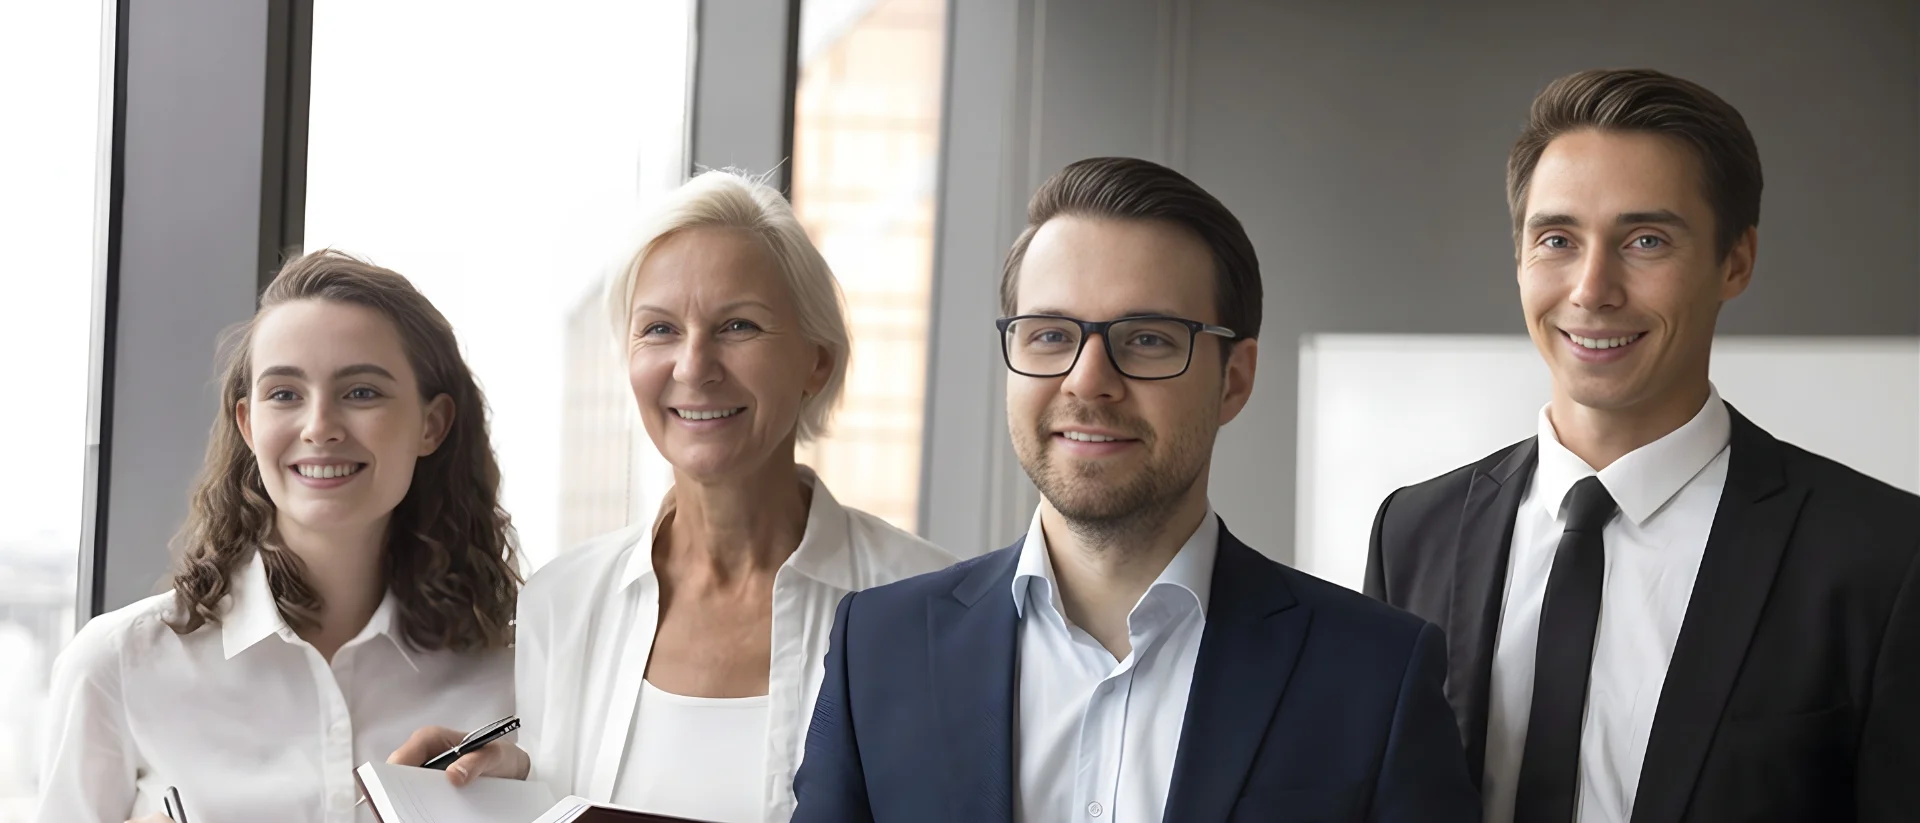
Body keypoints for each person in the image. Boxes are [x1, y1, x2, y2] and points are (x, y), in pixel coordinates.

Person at [790, 157, 1480, 823]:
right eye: (1051, 334)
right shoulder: (878, 650)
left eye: (1147, 338)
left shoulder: (1374, 676)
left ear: (1234, 379)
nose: (1088, 379)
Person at [1365, 68, 1920, 823]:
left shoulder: (1883, 557)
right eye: (1557, 238)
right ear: (1520, 256)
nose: (1592, 288)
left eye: (1647, 239)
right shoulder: (1411, 533)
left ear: (1736, 261)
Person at [388, 169, 957, 823]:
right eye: (658, 329)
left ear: (816, 360)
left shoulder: (927, 603)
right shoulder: (563, 601)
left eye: (738, 325)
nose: (693, 366)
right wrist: (499, 793)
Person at [35, 250, 521, 823]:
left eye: (361, 392)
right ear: (249, 424)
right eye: (285, 394)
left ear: (431, 424)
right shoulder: (117, 666)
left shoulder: (513, 675)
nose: (319, 427)